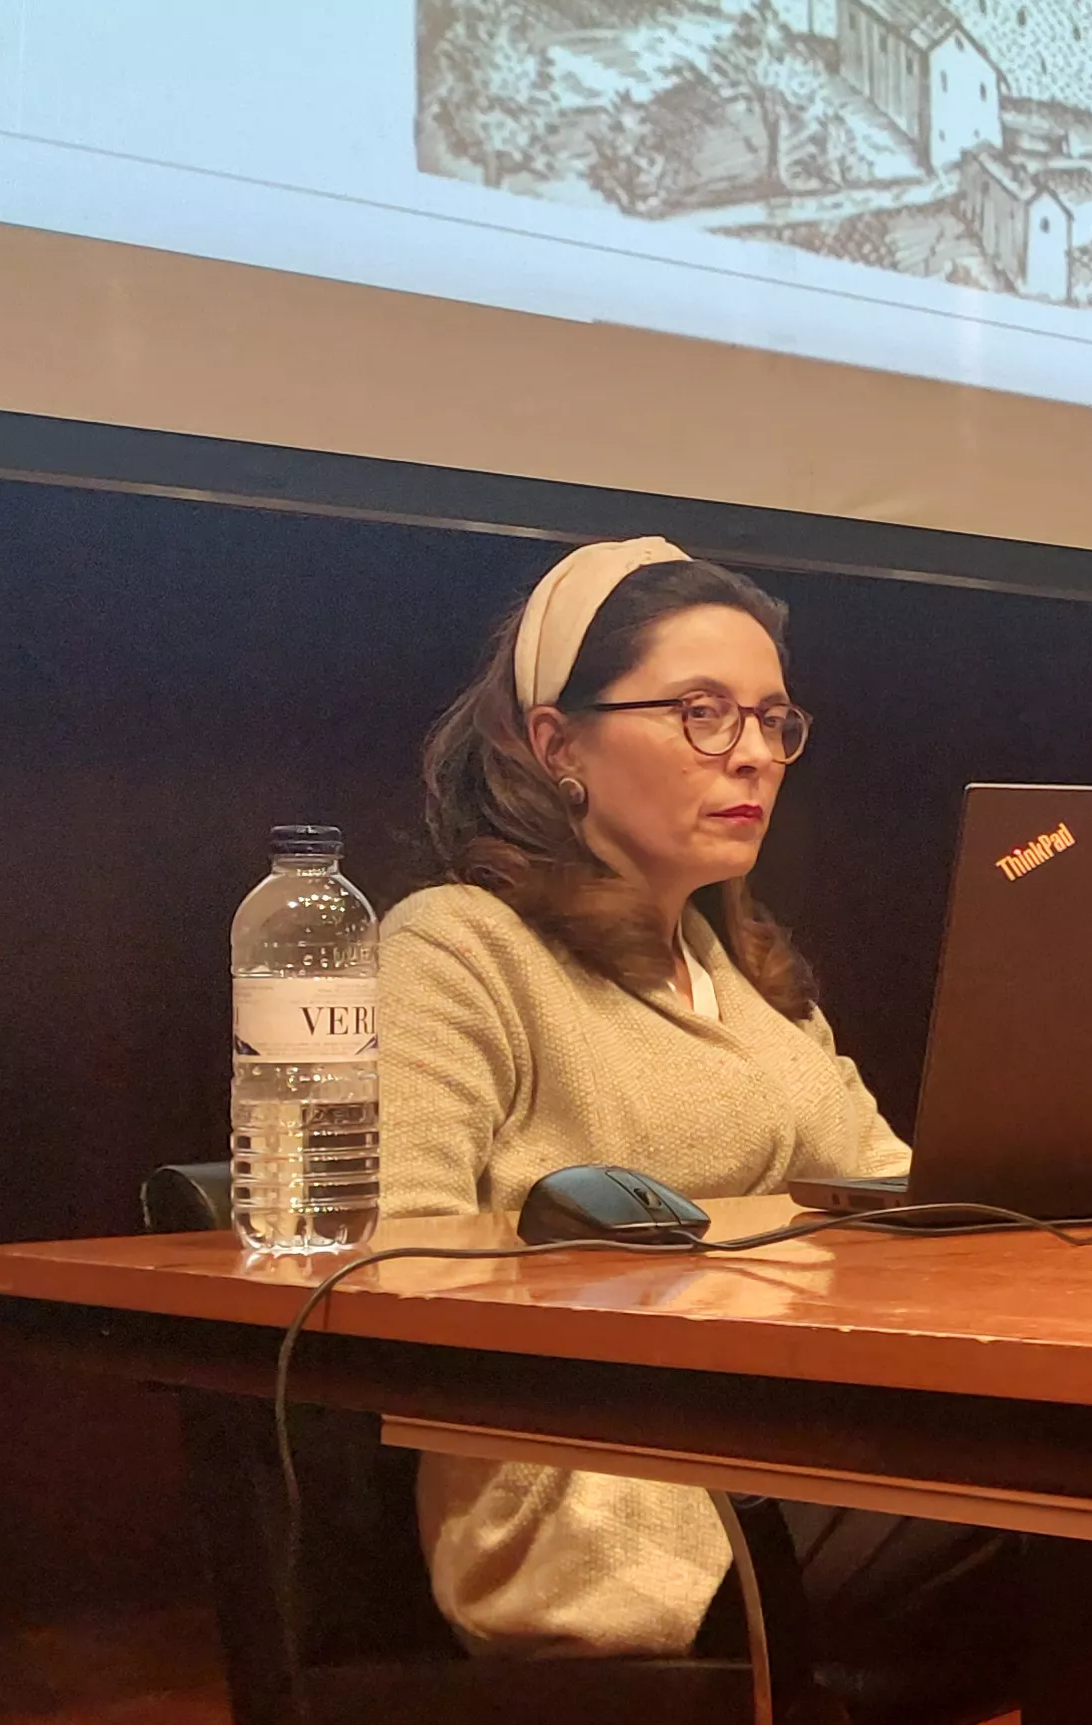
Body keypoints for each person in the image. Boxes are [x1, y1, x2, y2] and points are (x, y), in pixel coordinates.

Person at [380, 536, 1009, 1663]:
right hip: (606, 1505)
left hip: (800, 1445)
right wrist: (746, 1261)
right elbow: (402, 1267)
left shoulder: (749, 981)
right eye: (702, 714)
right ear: (556, 743)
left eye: (773, 721)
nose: (754, 755)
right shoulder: (458, 946)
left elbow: (899, 1198)